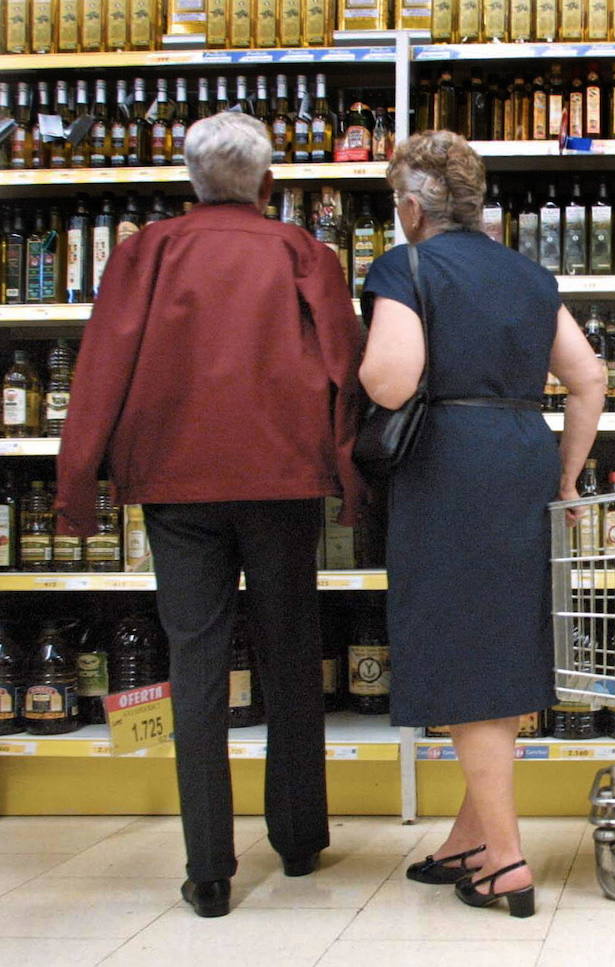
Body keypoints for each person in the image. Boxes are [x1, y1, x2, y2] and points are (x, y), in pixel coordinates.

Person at [56, 111, 366, 919]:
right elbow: (347, 364)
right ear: (268, 184)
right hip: (282, 479)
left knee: (194, 662)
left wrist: (76, 481)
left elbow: (101, 364)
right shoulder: (304, 252)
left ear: (191, 180)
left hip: (176, 484)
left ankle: (209, 868)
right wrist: (351, 475)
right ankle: (297, 838)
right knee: (291, 651)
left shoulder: (145, 252)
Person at [359, 131, 604, 919]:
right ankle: (468, 837)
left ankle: (505, 859)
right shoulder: (529, 273)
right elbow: (588, 377)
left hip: (449, 467)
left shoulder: (409, 265)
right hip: (520, 455)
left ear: (410, 206)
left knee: (462, 657)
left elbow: (391, 382)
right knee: (497, 644)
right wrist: (565, 470)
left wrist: (359, 364)